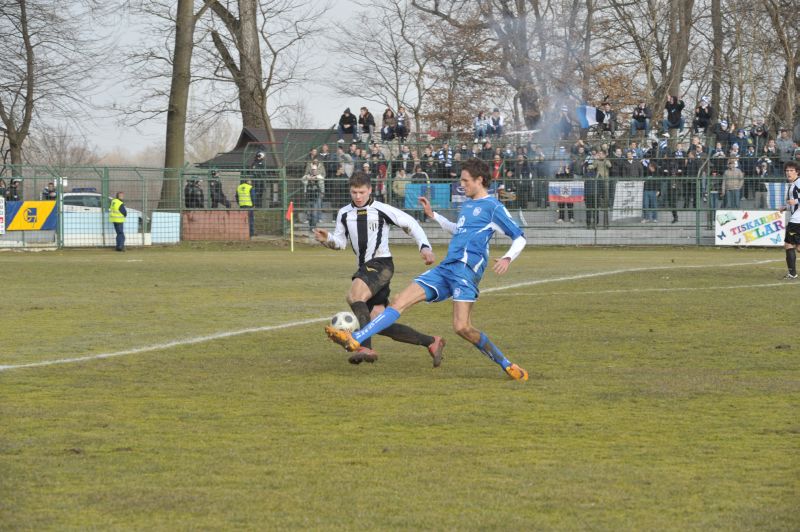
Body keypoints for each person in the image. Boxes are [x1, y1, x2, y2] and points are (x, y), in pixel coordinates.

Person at [324, 158, 529, 381]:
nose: (462, 185)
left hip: (465, 273)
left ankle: (506, 364)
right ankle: (356, 339)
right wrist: (434, 216)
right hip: (446, 268)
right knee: (399, 301)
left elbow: (519, 237)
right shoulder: (467, 205)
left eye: (465, 180)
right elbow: (459, 230)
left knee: (462, 328)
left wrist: (508, 257)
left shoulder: (493, 207)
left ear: (479, 180)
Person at [313, 172, 446, 365]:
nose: (358, 196)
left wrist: (424, 247)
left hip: (381, 264)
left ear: (370, 190)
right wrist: (328, 239)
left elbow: (410, 223)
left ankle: (365, 347)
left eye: (362, 192)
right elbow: (340, 243)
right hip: (365, 269)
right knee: (378, 323)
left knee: (354, 296)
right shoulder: (344, 213)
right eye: (354, 192)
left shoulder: (381, 209)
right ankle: (432, 342)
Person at [779, 161, 800, 279]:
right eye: (787, 170)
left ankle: (792, 274)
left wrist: (795, 201)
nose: (788, 173)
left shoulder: (798, 182)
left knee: (788, 244)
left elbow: (796, 201)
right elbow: (795, 203)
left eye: (791, 170)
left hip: (797, 220)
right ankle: (792, 273)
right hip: (796, 219)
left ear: (797, 172)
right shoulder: (792, 184)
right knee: (798, 247)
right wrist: (786, 207)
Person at [301, 164, 324, 232]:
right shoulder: (307, 177)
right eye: (313, 169)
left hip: (316, 197)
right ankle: (311, 227)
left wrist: (316, 177)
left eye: (315, 169)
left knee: (314, 213)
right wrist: (308, 177)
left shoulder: (319, 177)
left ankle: (313, 227)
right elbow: (303, 180)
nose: (314, 171)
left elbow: (322, 180)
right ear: (311, 170)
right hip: (308, 197)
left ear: (317, 170)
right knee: (309, 213)